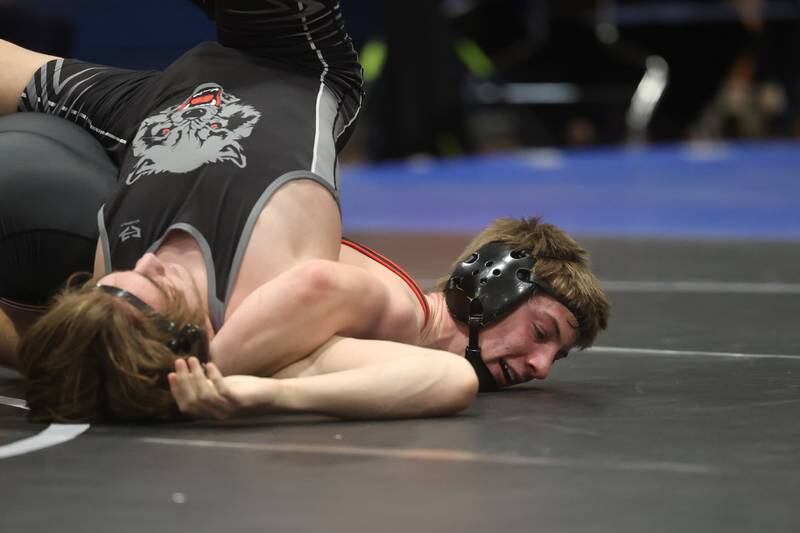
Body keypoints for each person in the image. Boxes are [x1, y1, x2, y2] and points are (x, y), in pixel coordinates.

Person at [0, 1, 610, 423]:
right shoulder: (359, 319)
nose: (539, 368)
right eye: (543, 336)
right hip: (286, 64)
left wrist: (204, 381)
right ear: (494, 277)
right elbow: (331, 292)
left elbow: (51, 342)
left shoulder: (123, 288)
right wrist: (238, 381)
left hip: (161, 116)